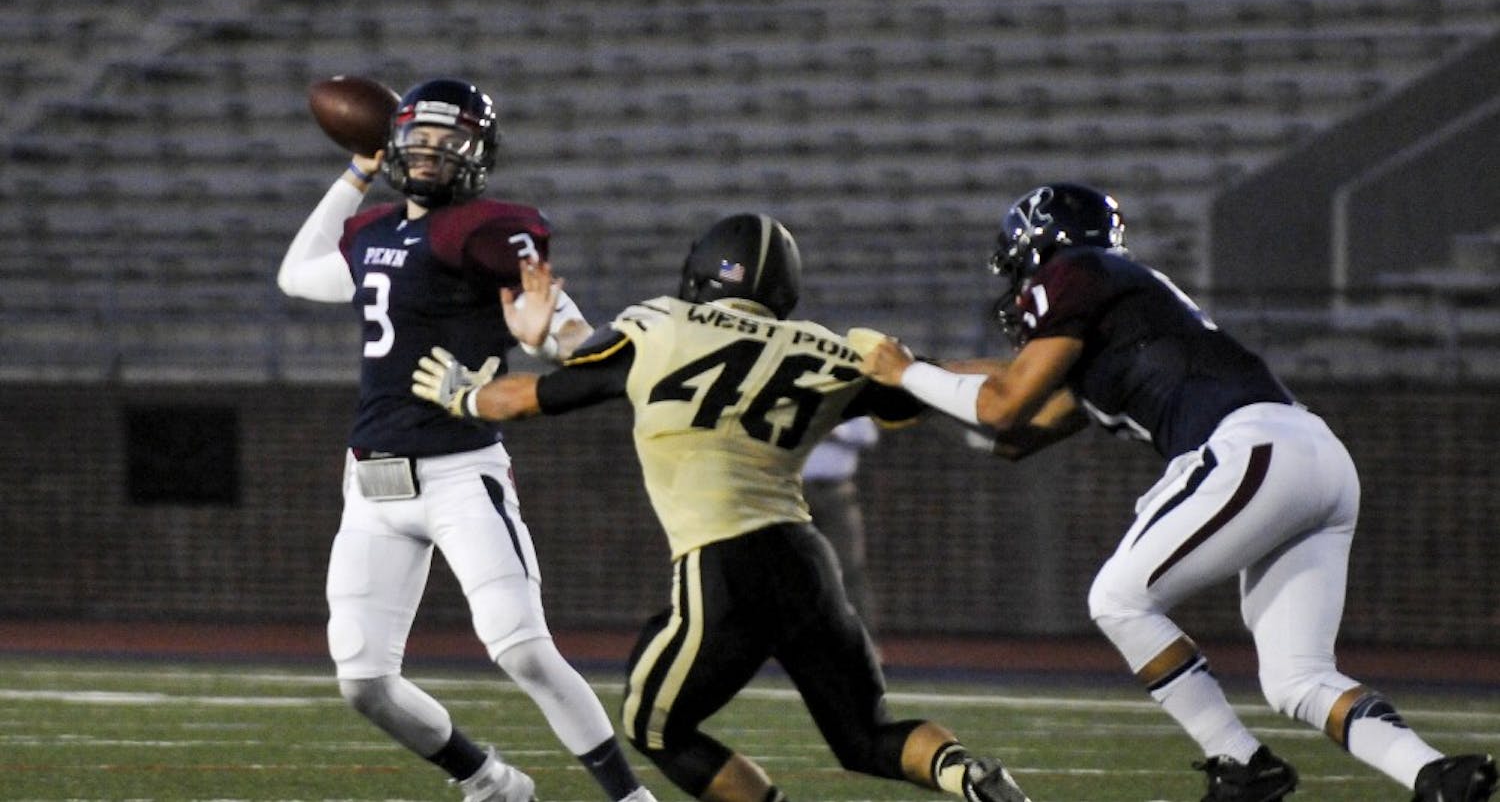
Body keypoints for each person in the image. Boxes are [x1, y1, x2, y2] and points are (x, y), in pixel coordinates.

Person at [858, 182, 1499, 802]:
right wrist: (916, 397)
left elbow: (1001, 403)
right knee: (1297, 677)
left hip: (1253, 447)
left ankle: (1242, 763)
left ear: (1039, 249)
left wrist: (906, 371)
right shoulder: (1120, 315)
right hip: (1312, 459)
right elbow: (1017, 434)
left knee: (1118, 598)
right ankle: (1438, 776)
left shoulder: (1078, 269)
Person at [410, 213, 1033, 802]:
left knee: (652, 724)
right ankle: (962, 772)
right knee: (865, 736)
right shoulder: (824, 349)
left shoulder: (661, 324)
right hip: (805, 561)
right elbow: (941, 383)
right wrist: (1023, 376)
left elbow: (537, 394)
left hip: (723, 562)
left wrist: (461, 396)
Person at [276, 76, 657, 802]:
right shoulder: (376, 231)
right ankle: (487, 780)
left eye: (449, 142)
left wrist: (559, 341)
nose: (429, 153)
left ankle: (629, 798)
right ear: (394, 143)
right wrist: (355, 170)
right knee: (361, 681)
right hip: (370, 479)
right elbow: (297, 274)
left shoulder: (485, 229)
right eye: (417, 138)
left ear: (478, 154)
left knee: (522, 649)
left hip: (458, 472)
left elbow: (561, 323)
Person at [801, 416, 879, 627]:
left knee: (848, 566)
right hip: (792, 493)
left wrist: (836, 431)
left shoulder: (846, 395)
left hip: (835, 493)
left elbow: (868, 435)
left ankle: (865, 643)